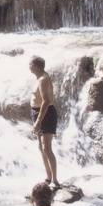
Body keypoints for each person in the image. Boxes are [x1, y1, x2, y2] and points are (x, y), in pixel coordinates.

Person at [30, 57, 62, 188]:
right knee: (41, 147)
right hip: (38, 113)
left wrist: (38, 121)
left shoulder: (43, 79)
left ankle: (55, 180)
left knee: (46, 148)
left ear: (36, 66)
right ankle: (48, 177)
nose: (29, 67)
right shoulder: (39, 77)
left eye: (30, 65)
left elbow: (46, 101)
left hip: (46, 114)